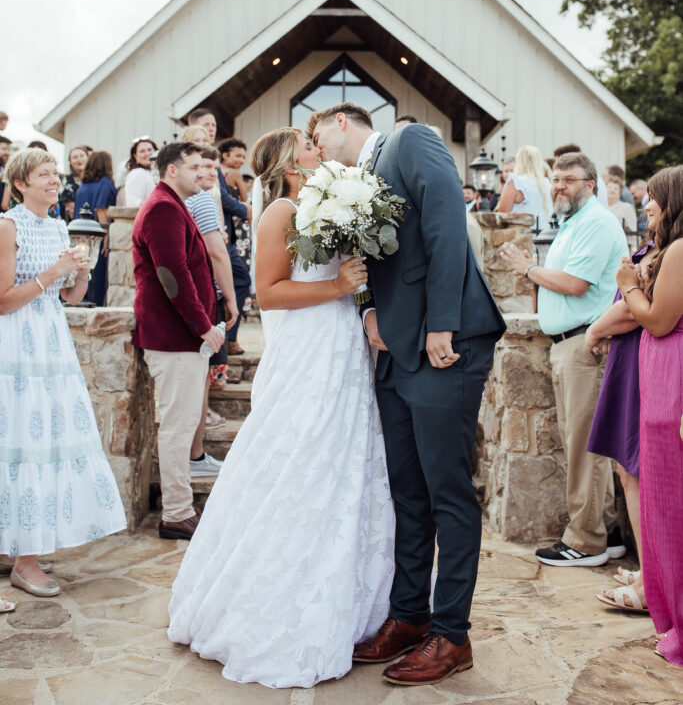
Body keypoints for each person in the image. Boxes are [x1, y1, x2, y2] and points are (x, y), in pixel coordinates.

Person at [168, 126, 394, 688]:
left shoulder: (329, 204)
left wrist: (359, 302)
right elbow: (268, 293)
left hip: (344, 346)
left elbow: (350, 279)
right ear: (292, 163)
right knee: (301, 456)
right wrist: (339, 286)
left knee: (347, 459)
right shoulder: (281, 213)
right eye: (311, 148)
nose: (321, 151)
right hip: (309, 351)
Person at [309, 105, 505, 688]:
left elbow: (446, 225)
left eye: (316, 131)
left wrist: (442, 321)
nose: (313, 144)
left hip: (443, 343)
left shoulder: (410, 141)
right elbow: (369, 265)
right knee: (407, 493)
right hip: (394, 353)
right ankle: (410, 616)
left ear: (342, 122)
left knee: (448, 492)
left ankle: (453, 633)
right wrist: (370, 310)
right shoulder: (350, 183)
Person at [0, 149, 126, 599]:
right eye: (44, 175)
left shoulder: (57, 226)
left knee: (50, 441)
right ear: (20, 184)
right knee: (23, 444)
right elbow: (3, 300)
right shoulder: (7, 227)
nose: (54, 180)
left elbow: (69, 298)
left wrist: (81, 270)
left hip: (52, 340)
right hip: (17, 344)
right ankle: (24, 560)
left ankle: (25, 544)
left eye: (55, 174)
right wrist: (55, 269)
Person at [500, 152, 628, 567]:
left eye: (568, 180)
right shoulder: (574, 223)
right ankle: (604, 533)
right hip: (569, 344)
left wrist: (528, 269)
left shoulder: (595, 223)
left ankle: (585, 542)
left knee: (584, 446)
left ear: (590, 184)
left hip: (584, 346)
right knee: (587, 442)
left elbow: (575, 285)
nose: (558, 187)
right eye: (555, 180)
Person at [132, 142, 224, 540]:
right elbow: (172, 275)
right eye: (193, 166)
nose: (201, 172)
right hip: (174, 338)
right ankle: (177, 513)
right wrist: (204, 326)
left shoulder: (172, 203)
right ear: (172, 170)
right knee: (177, 426)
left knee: (183, 423)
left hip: (181, 337)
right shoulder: (163, 208)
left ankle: (180, 506)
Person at [614, 165, 683, 667]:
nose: (647, 204)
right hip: (661, 377)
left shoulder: (681, 249)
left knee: (667, 509)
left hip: (670, 384)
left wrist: (628, 286)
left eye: (654, 196)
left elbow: (659, 320)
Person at [586, 221, 657, 615]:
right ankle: (652, 571)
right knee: (627, 470)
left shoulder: (662, 254)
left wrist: (593, 331)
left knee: (636, 472)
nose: (646, 206)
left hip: (640, 363)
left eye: (653, 198)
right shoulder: (653, 248)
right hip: (629, 361)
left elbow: (632, 310)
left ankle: (652, 580)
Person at [186, 146, 240, 449]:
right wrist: (230, 298)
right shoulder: (202, 200)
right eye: (201, 166)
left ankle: (195, 453)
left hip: (194, 295)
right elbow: (217, 253)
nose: (208, 173)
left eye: (212, 167)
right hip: (208, 298)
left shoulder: (184, 199)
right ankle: (195, 454)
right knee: (203, 376)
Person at [189, 108, 251, 355]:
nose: (210, 132)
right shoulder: (198, 174)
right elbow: (224, 199)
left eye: (211, 128)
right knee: (231, 284)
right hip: (212, 237)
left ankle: (224, 346)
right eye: (203, 130)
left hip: (220, 232)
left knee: (235, 282)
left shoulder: (213, 166)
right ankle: (223, 345)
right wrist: (245, 211)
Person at [74, 151, 117, 307]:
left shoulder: (83, 186)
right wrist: (105, 238)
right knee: (98, 279)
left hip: (79, 237)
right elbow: (101, 210)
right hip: (96, 237)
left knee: (83, 276)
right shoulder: (105, 183)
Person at [495, 145, 552, 229]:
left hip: (523, 237)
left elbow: (501, 215)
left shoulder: (516, 182)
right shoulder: (547, 183)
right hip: (546, 236)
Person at [217, 138, 252, 272]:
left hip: (224, 221)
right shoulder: (235, 174)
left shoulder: (216, 172)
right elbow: (245, 198)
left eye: (243, 157)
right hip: (239, 222)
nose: (241, 160)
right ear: (224, 155)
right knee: (241, 263)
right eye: (238, 156)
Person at [123, 137, 158, 208]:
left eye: (150, 150)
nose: (147, 153)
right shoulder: (137, 173)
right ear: (135, 156)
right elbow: (132, 202)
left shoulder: (154, 173)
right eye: (142, 151)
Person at [59, 145, 91, 221]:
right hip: (76, 224)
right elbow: (71, 210)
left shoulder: (94, 180)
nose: (79, 159)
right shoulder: (67, 180)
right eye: (75, 157)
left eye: (82, 156)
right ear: (70, 161)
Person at [606, 177, 638, 251]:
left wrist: (633, 252)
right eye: (610, 187)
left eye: (615, 188)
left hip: (620, 249)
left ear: (620, 193)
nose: (612, 190)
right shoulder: (600, 207)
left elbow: (633, 233)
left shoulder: (626, 207)